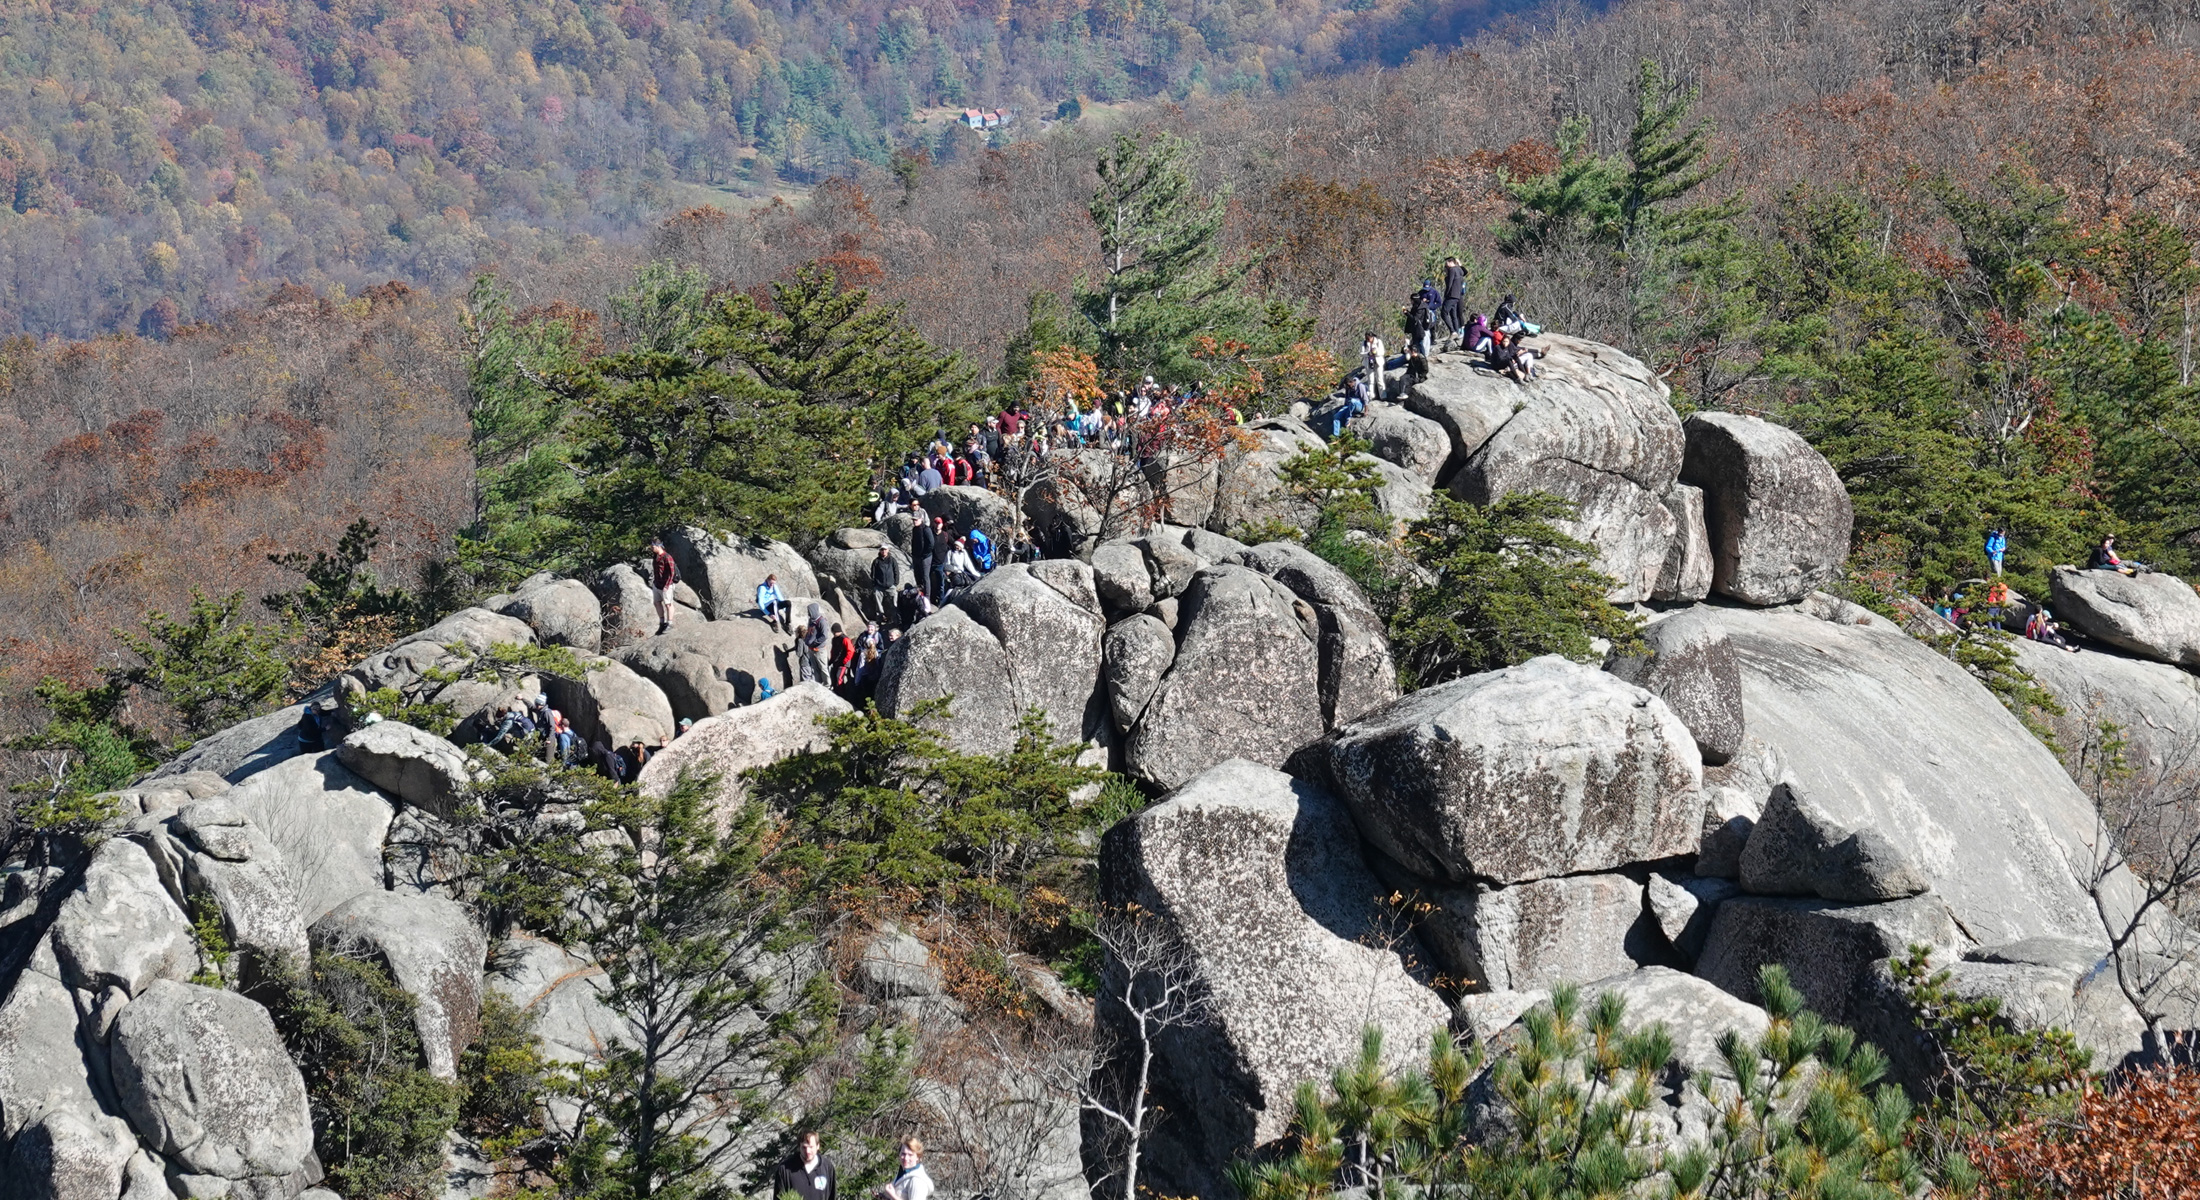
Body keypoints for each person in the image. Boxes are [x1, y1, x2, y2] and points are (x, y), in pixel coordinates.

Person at [774, 1131, 838, 1200]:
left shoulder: (827, 1167)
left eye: (811, 1147)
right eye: (804, 1147)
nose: (807, 1151)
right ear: (799, 1147)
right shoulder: (785, 1169)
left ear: (818, 1146)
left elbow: (832, 1196)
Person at [649, 537, 680, 635]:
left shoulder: (667, 557)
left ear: (658, 546)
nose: (651, 548)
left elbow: (672, 572)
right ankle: (662, 623)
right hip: (657, 584)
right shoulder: (656, 556)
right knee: (657, 602)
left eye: (653, 546)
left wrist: (667, 585)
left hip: (666, 585)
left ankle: (669, 623)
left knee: (668, 604)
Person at [869, 546, 904, 626]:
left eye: (885, 549)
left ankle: (896, 621)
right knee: (878, 605)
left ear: (888, 550)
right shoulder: (876, 561)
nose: (883, 551)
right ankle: (879, 621)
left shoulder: (892, 560)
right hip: (879, 587)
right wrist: (875, 584)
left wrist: (895, 583)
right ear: (880, 551)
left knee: (895, 603)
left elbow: (896, 572)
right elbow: (873, 574)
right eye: (882, 549)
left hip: (891, 586)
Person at [798, 603, 830, 683]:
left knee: (823, 668)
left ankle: (827, 685)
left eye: (809, 611)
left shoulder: (822, 621)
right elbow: (809, 632)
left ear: (813, 610)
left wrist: (815, 642)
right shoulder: (811, 621)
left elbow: (824, 635)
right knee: (815, 668)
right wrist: (807, 641)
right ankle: (818, 684)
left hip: (819, 649)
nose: (808, 613)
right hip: (811, 649)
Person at [909, 514, 938, 602]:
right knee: (917, 575)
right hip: (916, 556)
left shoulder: (926, 529)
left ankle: (927, 597)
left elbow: (931, 544)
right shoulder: (915, 529)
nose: (915, 521)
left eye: (916, 520)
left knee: (925, 577)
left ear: (921, 519)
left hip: (925, 557)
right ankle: (919, 593)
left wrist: (924, 554)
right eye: (913, 520)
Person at [1441, 256, 1467, 340]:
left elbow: (1450, 283)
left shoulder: (1452, 270)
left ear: (1450, 262)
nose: (1446, 265)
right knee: (1453, 314)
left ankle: (1453, 331)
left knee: (1444, 312)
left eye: (1446, 263)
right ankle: (1456, 332)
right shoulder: (1459, 270)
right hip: (1457, 296)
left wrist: (1446, 294)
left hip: (1451, 295)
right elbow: (1464, 272)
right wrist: (1460, 265)